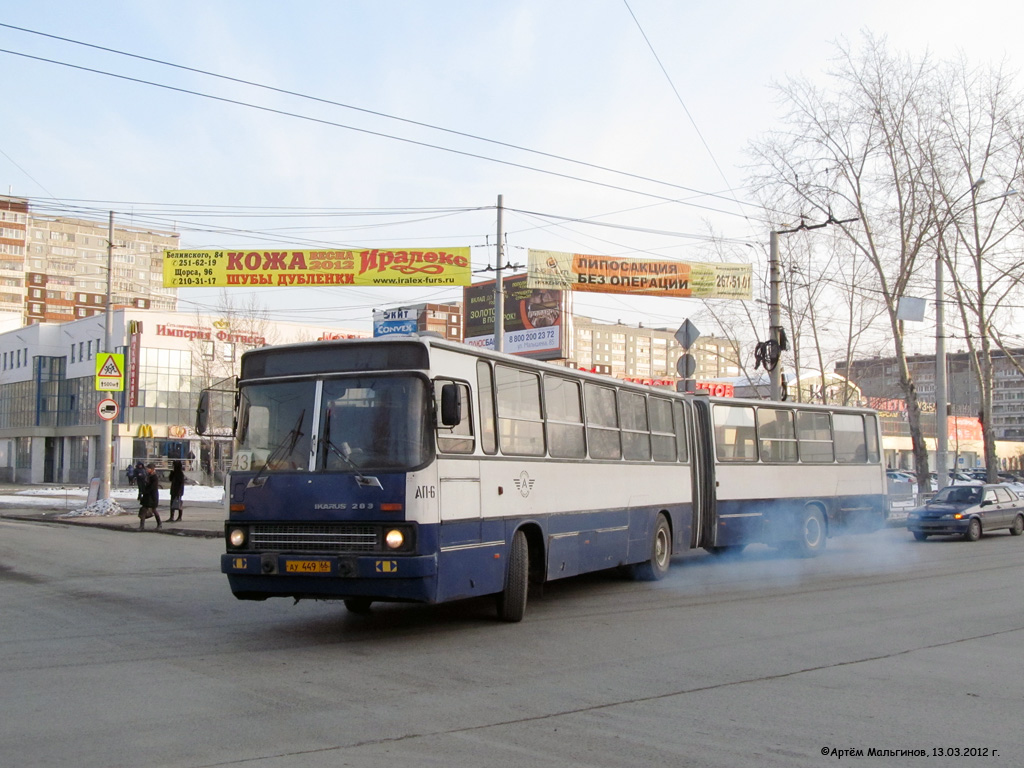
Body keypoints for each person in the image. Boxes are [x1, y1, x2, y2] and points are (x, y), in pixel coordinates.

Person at [138, 463, 162, 530]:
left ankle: (159, 524)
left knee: (153, 510)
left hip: (152, 497)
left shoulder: (154, 477)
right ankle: (142, 526)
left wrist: (145, 491)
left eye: (148, 469)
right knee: (144, 510)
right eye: (147, 469)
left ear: (152, 469)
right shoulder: (149, 476)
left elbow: (152, 488)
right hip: (147, 497)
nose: (147, 470)